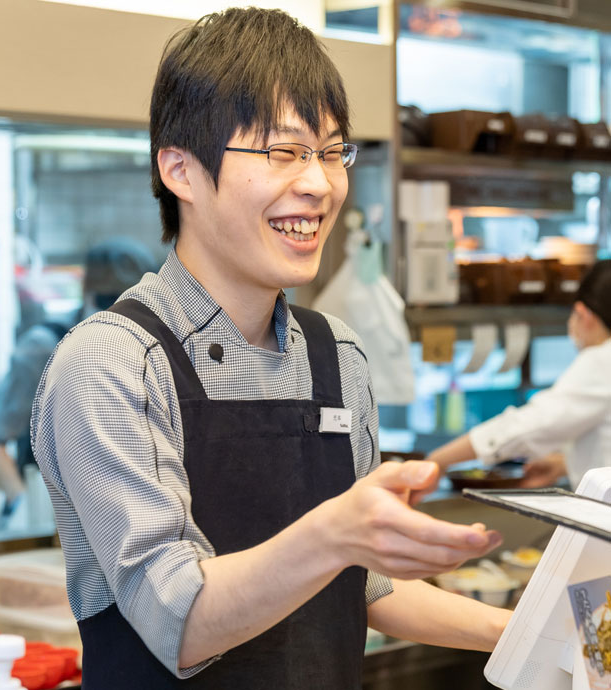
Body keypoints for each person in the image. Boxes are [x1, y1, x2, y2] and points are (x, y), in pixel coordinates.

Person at [31, 8, 510, 688]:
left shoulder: (334, 353)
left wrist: (527, 631)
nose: (318, 184)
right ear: (182, 171)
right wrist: (335, 532)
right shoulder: (114, 362)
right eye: (283, 153)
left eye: (329, 152)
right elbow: (178, 621)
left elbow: (364, 587)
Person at [0, 238, 157, 518]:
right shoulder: (44, 347)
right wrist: (25, 506)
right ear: (88, 294)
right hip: (53, 514)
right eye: (109, 301)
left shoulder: (152, 346)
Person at [428, 259, 611, 490]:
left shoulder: (601, 360)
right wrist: (565, 465)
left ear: (582, 314)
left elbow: (530, 425)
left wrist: (437, 460)